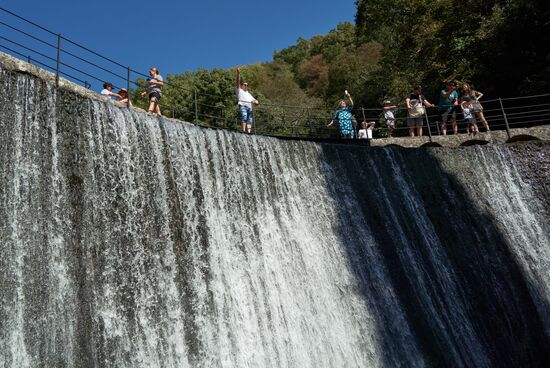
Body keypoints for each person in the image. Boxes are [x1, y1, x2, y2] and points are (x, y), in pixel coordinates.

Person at [236, 67, 259, 133]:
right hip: (243, 105)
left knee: (250, 120)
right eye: (244, 84)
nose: (246, 86)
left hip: (250, 108)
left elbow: (254, 100)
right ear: (241, 85)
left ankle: (249, 132)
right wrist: (238, 74)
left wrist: (256, 102)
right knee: (244, 117)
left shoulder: (249, 94)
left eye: (247, 85)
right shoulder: (239, 90)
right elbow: (237, 81)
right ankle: (243, 130)